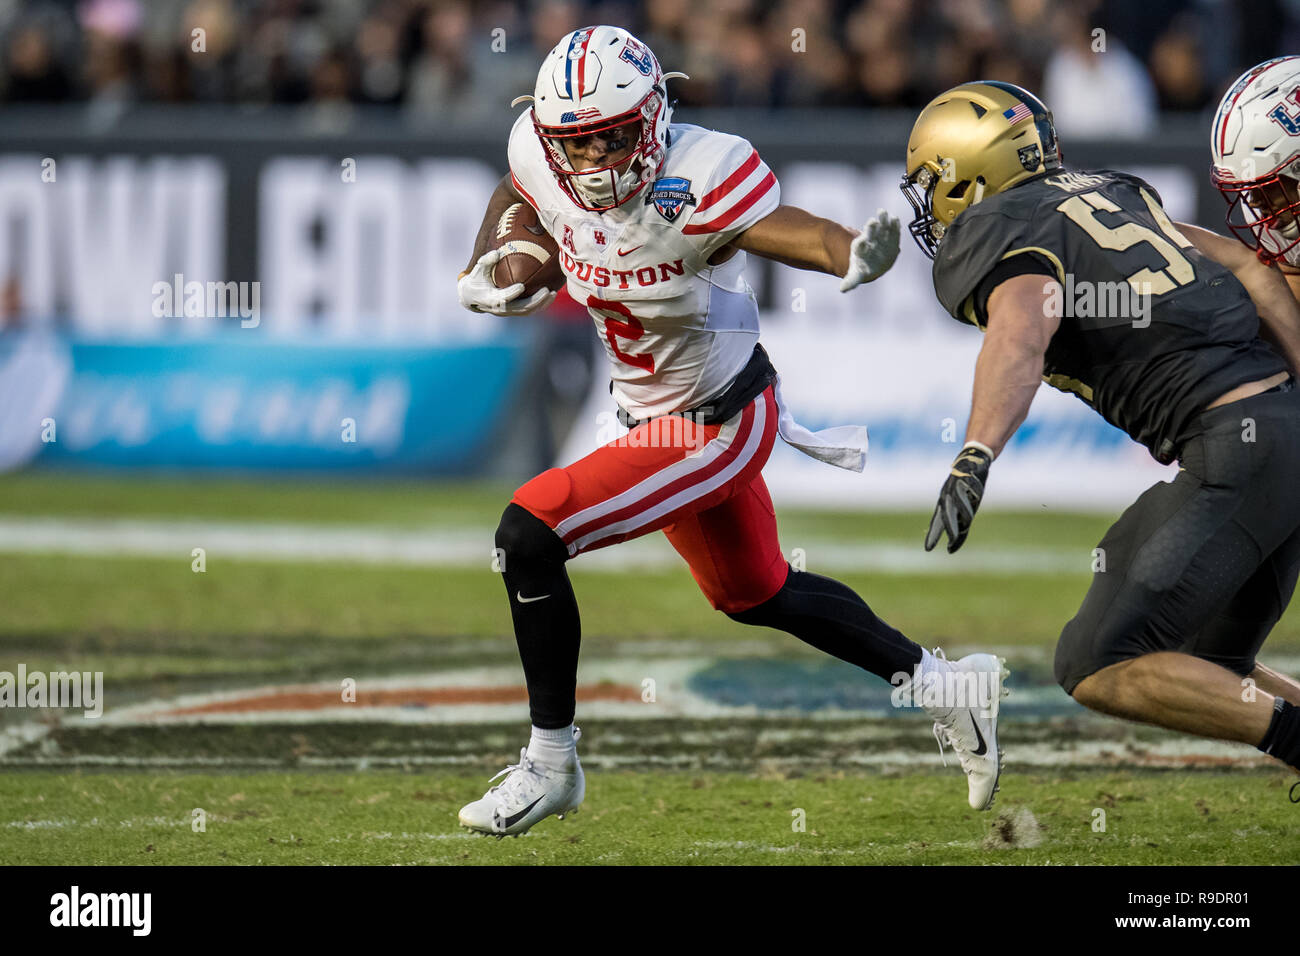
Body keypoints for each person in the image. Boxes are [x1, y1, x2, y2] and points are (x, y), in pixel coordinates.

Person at [454, 26, 1007, 837]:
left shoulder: (700, 172)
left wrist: (852, 254)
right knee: (756, 593)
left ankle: (551, 762)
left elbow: (796, 231)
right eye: (579, 142)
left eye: (614, 135)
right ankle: (948, 686)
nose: (599, 160)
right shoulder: (542, 155)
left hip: (718, 422)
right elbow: (518, 188)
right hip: (652, 411)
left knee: (529, 532)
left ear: (654, 117)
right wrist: (499, 254)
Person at [903, 80, 1300, 778]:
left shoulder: (995, 230)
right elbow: (1249, 267)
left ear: (967, 177)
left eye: (931, 181)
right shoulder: (1112, 188)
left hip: (1234, 448)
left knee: (1097, 661)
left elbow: (1022, 332)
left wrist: (975, 453)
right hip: (1279, 432)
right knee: (1205, 667)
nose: (929, 201)